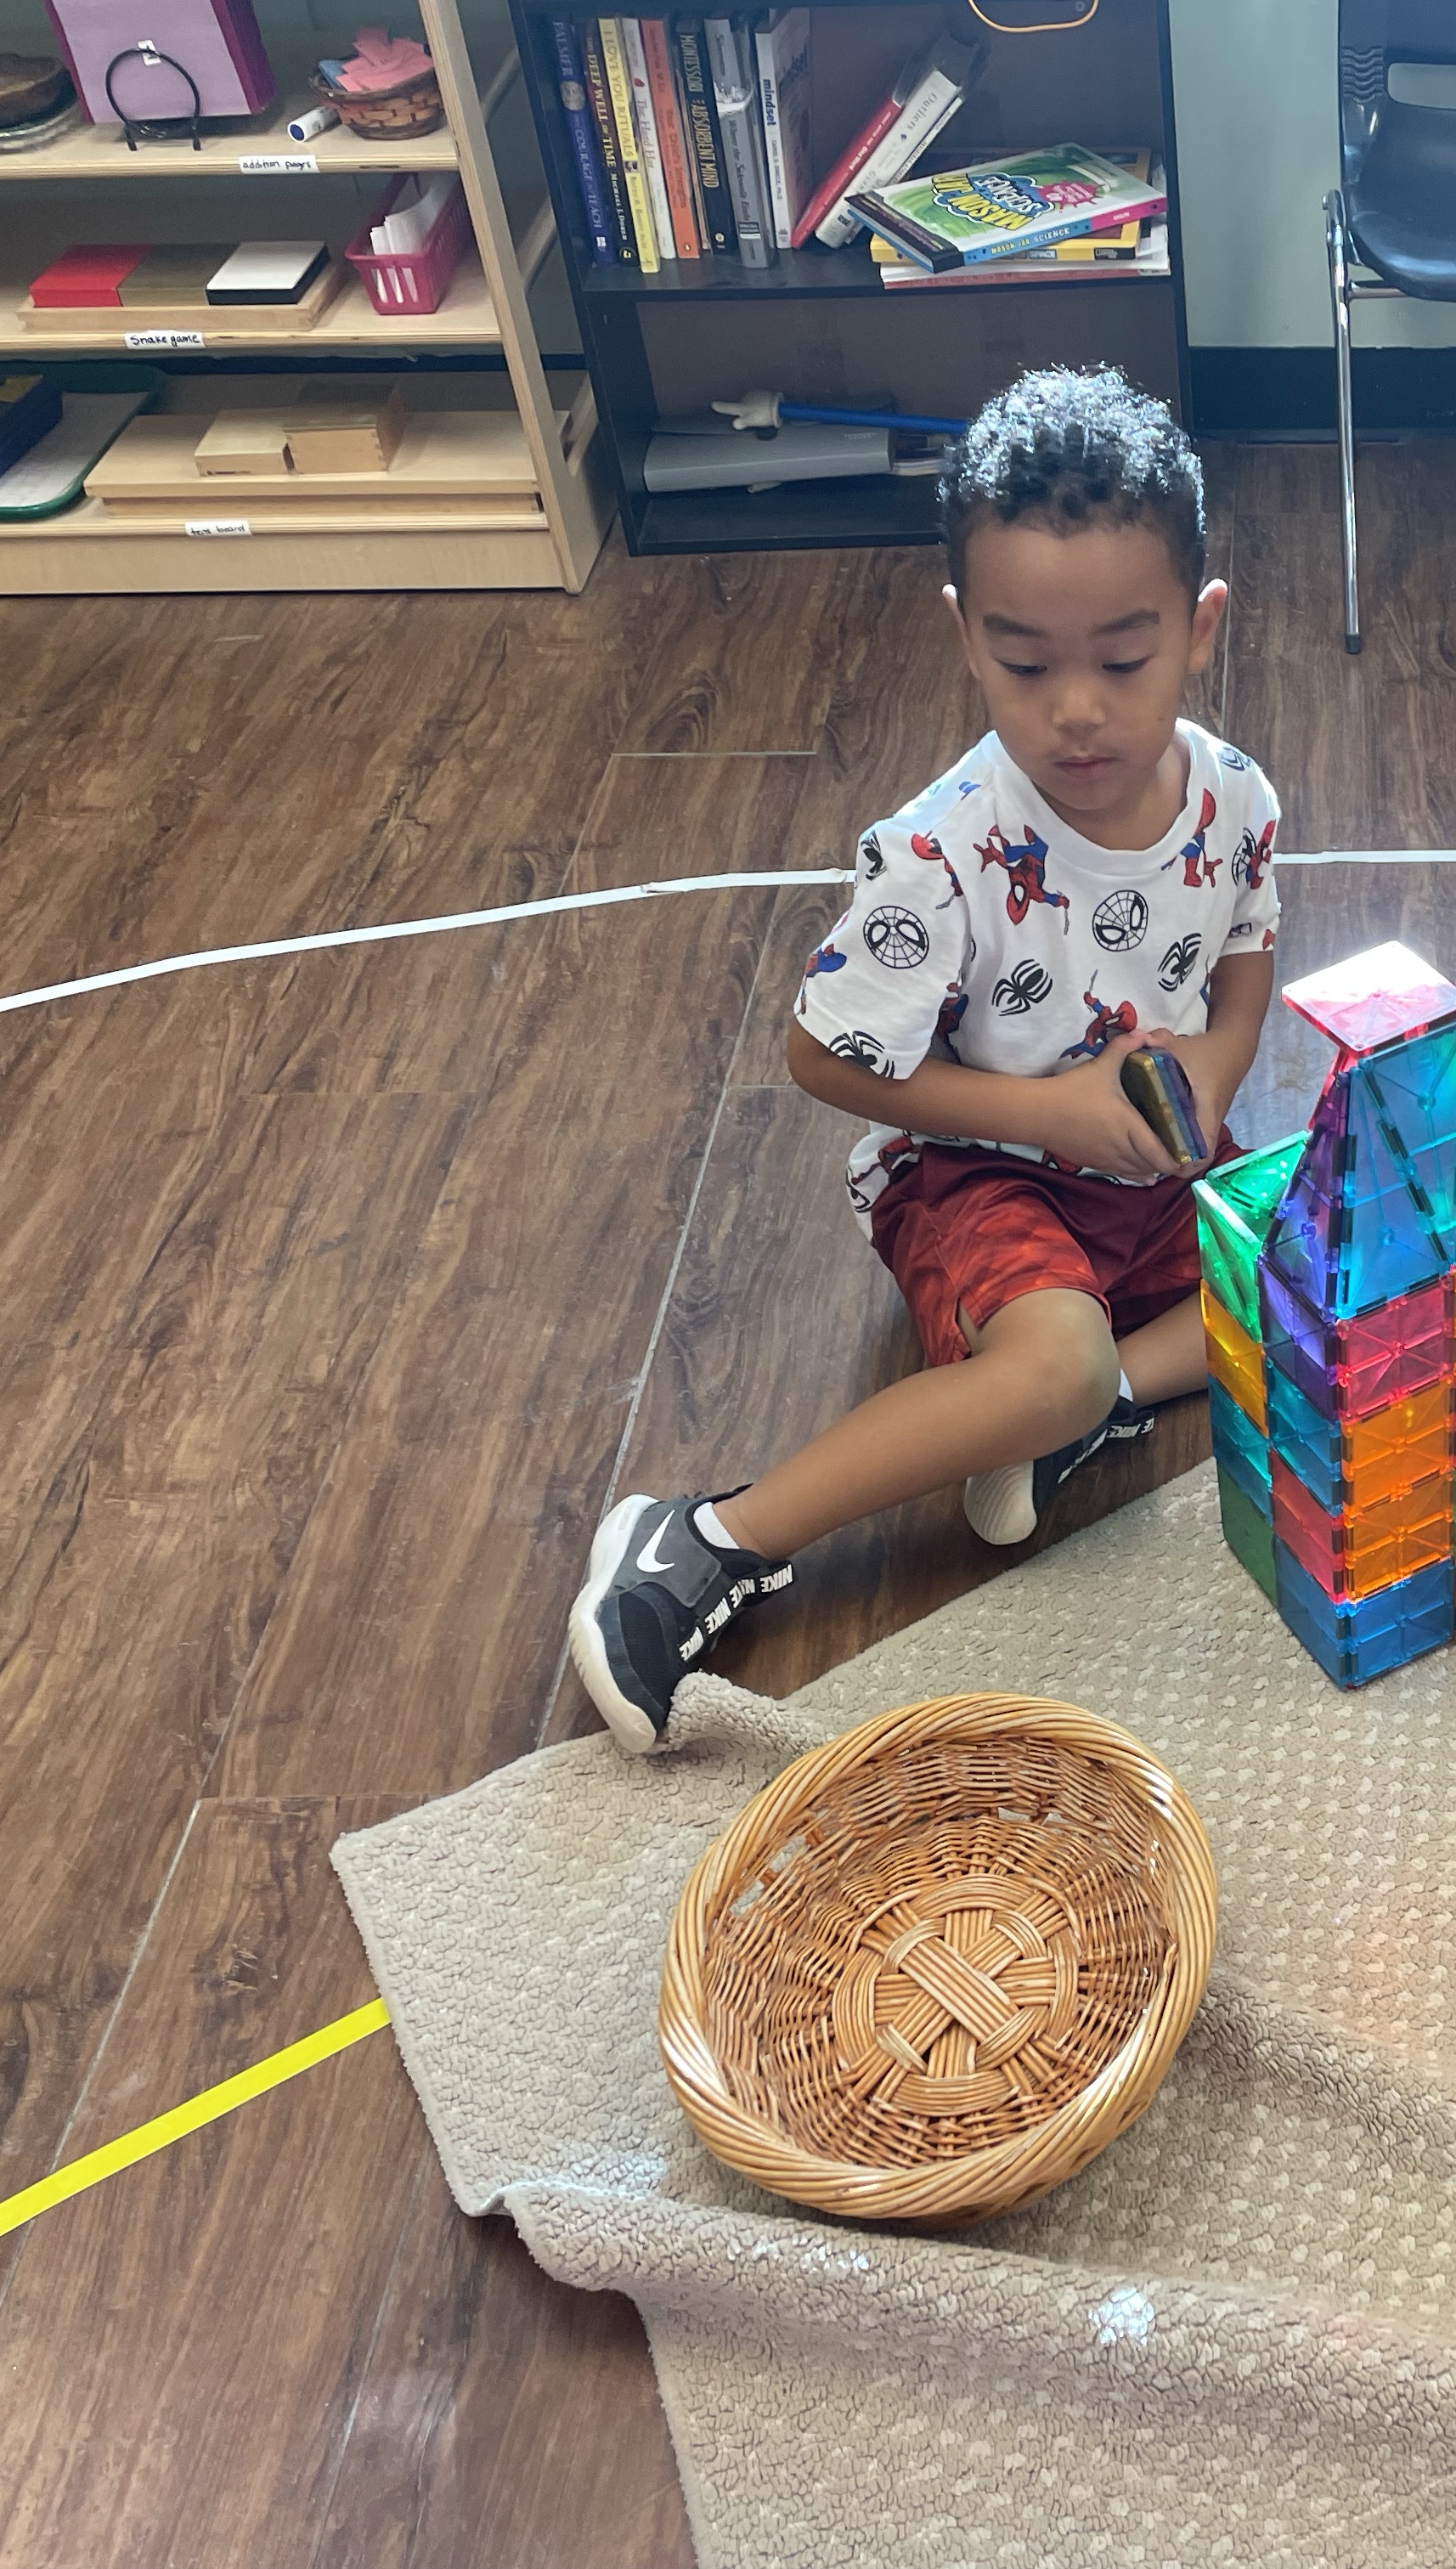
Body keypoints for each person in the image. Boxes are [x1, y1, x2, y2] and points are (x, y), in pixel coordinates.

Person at [570, 368, 1282, 1753]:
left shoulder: (1236, 793)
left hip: (1144, 1162)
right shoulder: (939, 851)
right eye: (1025, 664)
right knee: (1057, 1358)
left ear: (1201, 628)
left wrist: (1219, 1064)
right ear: (965, 637)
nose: (1076, 710)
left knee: (1330, 1257)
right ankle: (706, 1538)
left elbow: (1247, 952)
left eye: (1121, 662)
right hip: (969, 1171)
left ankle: (1074, 1410)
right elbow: (820, 1058)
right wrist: (1048, 1114)